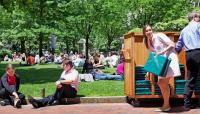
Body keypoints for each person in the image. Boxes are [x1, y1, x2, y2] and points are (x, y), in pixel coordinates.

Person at [143, 25, 181, 112]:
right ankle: (166, 105)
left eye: (150, 30)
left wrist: (162, 52)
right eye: (147, 31)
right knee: (161, 83)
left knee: (162, 82)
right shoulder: (147, 41)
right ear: (144, 33)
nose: (149, 32)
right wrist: (148, 72)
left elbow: (172, 44)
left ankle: (166, 105)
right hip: (161, 63)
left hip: (168, 60)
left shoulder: (159, 35)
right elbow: (153, 56)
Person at [175, 12, 200, 111]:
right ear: (194, 18)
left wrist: (173, 53)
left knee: (190, 79)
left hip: (189, 55)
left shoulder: (184, 30)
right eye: (199, 17)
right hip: (199, 52)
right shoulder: (198, 26)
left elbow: (178, 46)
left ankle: (186, 105)